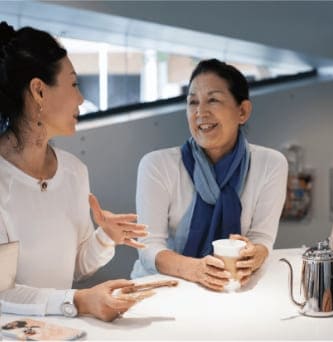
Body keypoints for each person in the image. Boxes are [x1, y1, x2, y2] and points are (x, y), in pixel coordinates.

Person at [0, 22, 148, 322]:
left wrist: (105, 237)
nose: (80, 99)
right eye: (73, 84)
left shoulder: (74, 172)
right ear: (39, 91)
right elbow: (3, 293)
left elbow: (78, 267)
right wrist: (79, 301)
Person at [131, 59, 288, 291]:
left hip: (233, 287)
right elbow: (148, 247)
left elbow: (261, 239)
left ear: (242, 111)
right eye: (192, 102)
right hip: (161, 288)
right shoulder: (157, 165)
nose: (200, 112)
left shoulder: (271, 164)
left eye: (213, 100)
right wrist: (195, 269)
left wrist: (254, 254)